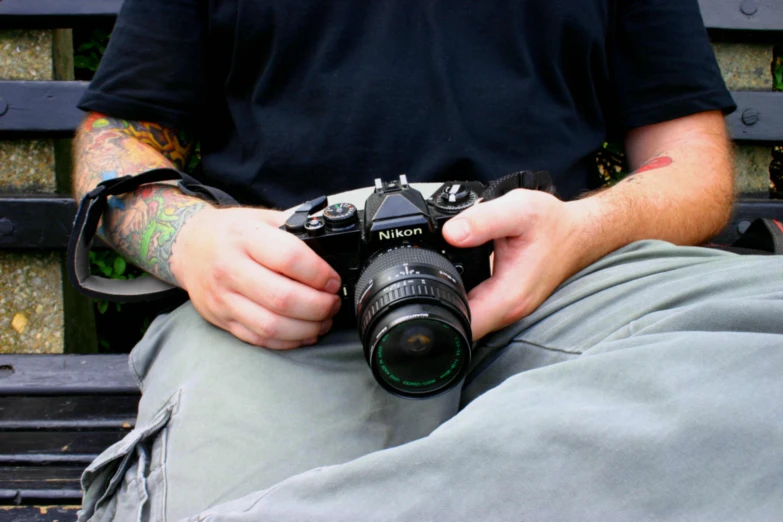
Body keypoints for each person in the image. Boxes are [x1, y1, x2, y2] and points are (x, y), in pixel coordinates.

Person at [71, 0, 783, 520]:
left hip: (562, 280)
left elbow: (694, 170)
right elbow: (117, 136)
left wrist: (584, 226)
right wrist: (193, 239)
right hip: (296, 303)